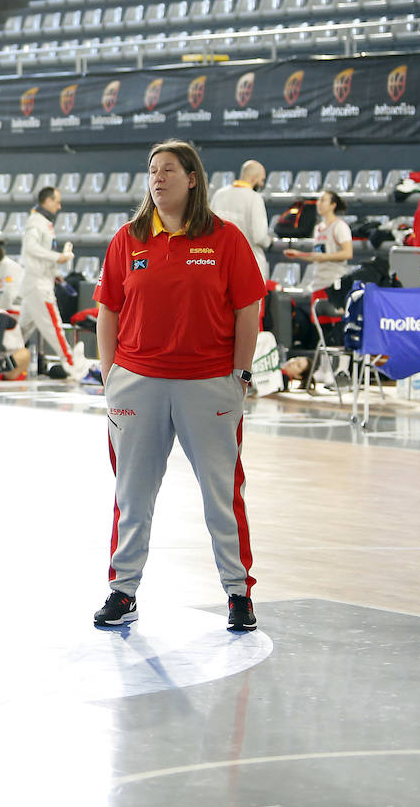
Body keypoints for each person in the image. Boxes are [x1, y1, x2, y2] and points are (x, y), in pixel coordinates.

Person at [92, 139, 267, 633]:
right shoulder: (128, 238)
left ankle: (238, 594)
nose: (158, 178)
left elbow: (247, 309)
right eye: (152, 170)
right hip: (137, 383)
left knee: (222, 495)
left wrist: (241, 373)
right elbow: (108, 309)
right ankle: (123, 590)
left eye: (168, 169)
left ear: (193, 178)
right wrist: (112, 375)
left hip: (208, 384)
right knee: (133, 492)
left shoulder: (225, 239)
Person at [19, 185, 86, 378]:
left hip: (39, 282)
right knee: (53, 326)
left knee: (22, 328)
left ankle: (5, 359)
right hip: (38, 285)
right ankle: (71, 363)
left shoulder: (44, 223)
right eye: (57, 202)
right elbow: (31, 248)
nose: (59, 206)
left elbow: (38, 252)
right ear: (47, 201)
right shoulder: (36, 222)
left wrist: (54, 271)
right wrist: (58, 258)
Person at [210, 159, 272, 280]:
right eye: (262, 180)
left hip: (221, 263)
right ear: (254, 178)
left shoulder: (219, 194)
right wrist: (269, 240)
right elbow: (259, 236)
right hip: (248, 264)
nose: (262, 184)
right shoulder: (254, 198)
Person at [283, 189, 353, 295]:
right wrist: (298, 255)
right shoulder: (318, 228)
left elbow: (348, 253)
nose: (319, 204)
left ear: (333, 205)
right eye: (319, 200)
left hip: (334, 282)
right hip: (318, 283)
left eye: (323, 200)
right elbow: (317, 256)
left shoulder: (340, 226)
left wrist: (325, 257)